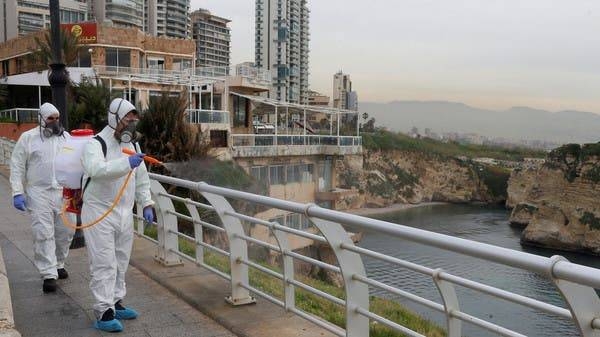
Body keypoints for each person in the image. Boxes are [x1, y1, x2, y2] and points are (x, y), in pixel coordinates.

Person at [80, 98, 154, 332]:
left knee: (121, 260)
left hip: (123, 212)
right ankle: (104, 311)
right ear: (114, 118)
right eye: (127, 118)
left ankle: (116, 301)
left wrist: (146, 203)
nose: (132, 123)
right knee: (104, 262)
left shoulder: (132, 145)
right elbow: (96, 170)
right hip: (98, 212)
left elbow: (141, 177)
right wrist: (126, 163)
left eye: (134, 118)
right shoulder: (95, 144)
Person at [9, 102, 75, 293]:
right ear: (41, 120)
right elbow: (17, 165)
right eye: (50, 119)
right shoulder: (28, 138)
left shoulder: (66, 138)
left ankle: (59, 263)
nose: (54, 123)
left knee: (65, 231)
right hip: (39, 193)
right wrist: (17, 192)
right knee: (43, 233)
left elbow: (78, 161)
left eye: (57, 118)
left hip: (64, 192)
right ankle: (48, 274)